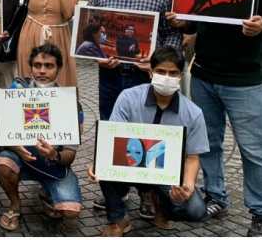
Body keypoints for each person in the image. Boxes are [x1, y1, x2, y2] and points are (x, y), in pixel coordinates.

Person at [167, 0, 262, 236]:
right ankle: (216, 197)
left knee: (253, 149)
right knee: (208, 143)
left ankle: (260, 210)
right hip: (204, 75)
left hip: (245, 80)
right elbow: (192, 27)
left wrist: (261, 26)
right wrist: (182, 21)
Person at [88, 0, 182, 217]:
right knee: (112, 130)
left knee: (147, 132)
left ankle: (146, 193)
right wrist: (97, 56)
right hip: (111, 76)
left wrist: (158, 65)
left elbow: (172, 35)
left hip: (144, 78)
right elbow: (89, 32)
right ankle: (116, 190)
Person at [88, 47, 208, 236]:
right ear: (150, 71)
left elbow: (193, 156)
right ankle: (118, 219)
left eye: (173, 73)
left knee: (195, 210)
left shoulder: (193, 113)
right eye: (161, 71)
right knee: (103, 168)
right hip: (129, 164)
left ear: (181, 76)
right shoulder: (128, 97)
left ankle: (161, 206)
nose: (166, 77)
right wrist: (98, 162)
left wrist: (188, 184)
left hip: (166, 174)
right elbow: (112, 138)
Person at [0, 44, 83, 231]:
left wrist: (54, 154)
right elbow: (2, 134)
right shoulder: (17, 90)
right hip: (22, 159)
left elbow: (70, 154)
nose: (42, 71)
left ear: (59, 68)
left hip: (53, 166)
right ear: (31, 67)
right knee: (3, 162)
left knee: (70, 212)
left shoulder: (70, 103)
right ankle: (14, 206)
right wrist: (16, 148)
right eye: (37, 65)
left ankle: (47, 192)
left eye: (49, 66)